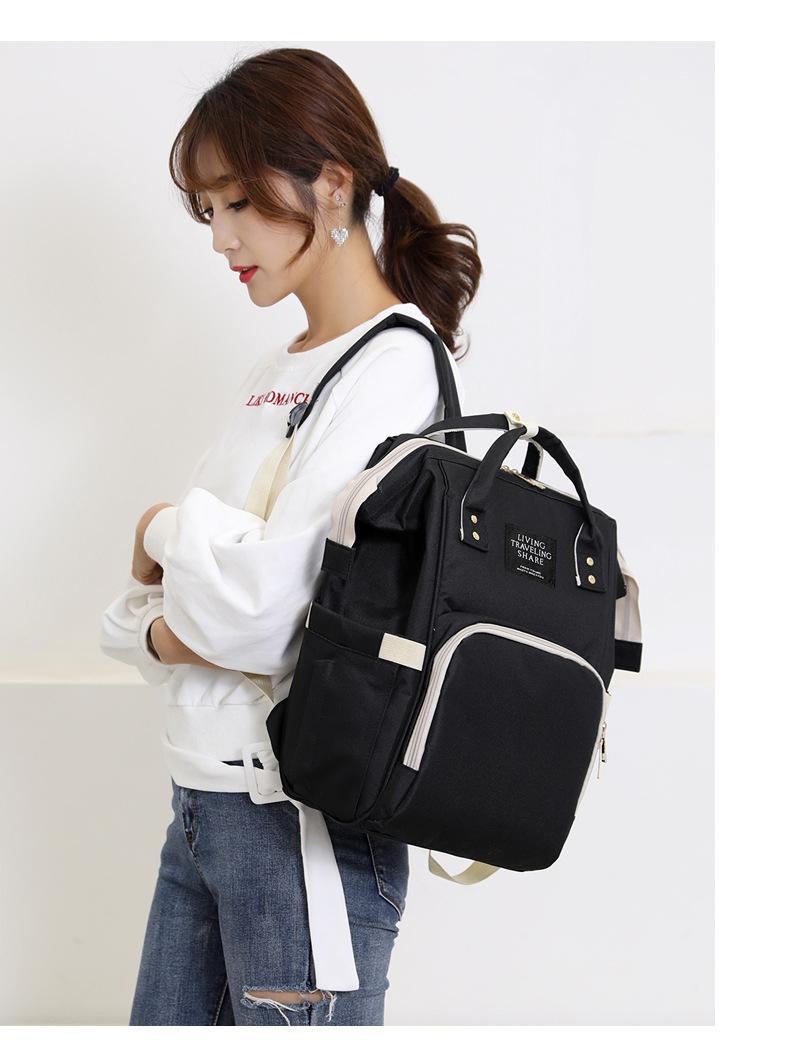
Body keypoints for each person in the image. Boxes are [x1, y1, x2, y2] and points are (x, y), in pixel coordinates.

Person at [99, 46, 481, 1027]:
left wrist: (160, 527)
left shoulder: (394, 366)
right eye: (208, 210)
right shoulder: (279, 368)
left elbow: (262, 617)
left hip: (299, 831)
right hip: (203, 807)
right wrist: (176, 605)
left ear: (333, 184)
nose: (222, 237)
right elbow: (168, 610)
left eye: (240, 201)